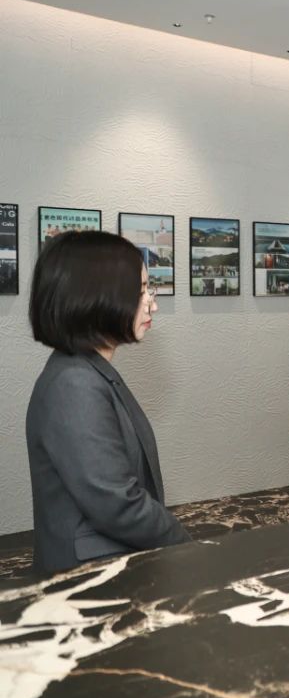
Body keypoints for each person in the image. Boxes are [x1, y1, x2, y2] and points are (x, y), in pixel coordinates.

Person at [25, 231, 191, 573]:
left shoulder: (87, 371)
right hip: (91, 576)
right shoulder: (74, 383)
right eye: (141, 290)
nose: (152, 303)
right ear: (98, 296)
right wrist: (185, 545)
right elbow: (118, 504)